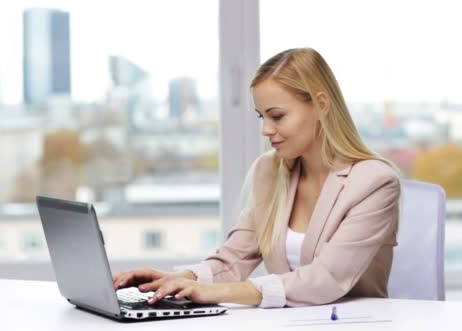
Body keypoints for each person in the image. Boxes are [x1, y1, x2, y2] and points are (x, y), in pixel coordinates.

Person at [113, 48, 401, 308]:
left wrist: (214, 293)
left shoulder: (373, 183)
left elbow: (325, 279)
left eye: (277, 116)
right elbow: (235, 258)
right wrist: (176, 279)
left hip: (354, 330)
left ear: (321, 104)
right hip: (288, 328)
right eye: (261, 117)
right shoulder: (270, 170)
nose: (266, 130)